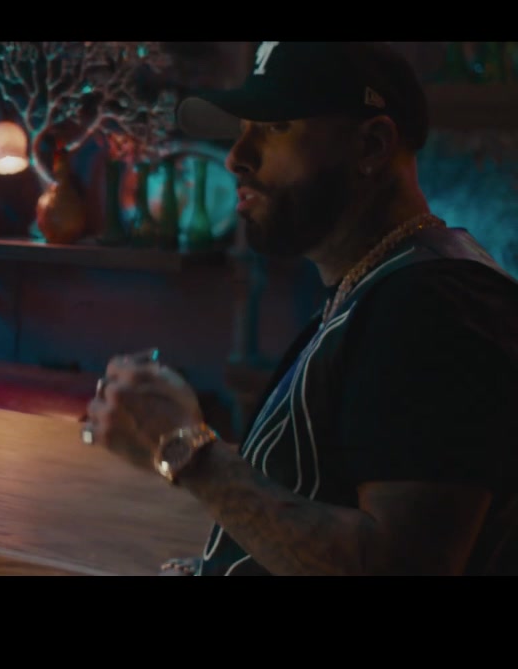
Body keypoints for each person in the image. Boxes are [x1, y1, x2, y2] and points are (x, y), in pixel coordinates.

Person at [83, 42, 518, 576]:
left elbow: (401, 567)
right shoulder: (375, 287)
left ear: (372, 145)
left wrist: (186, 450)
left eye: (274, 127)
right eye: (243, 128)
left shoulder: (433, 307)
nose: (236, 156)